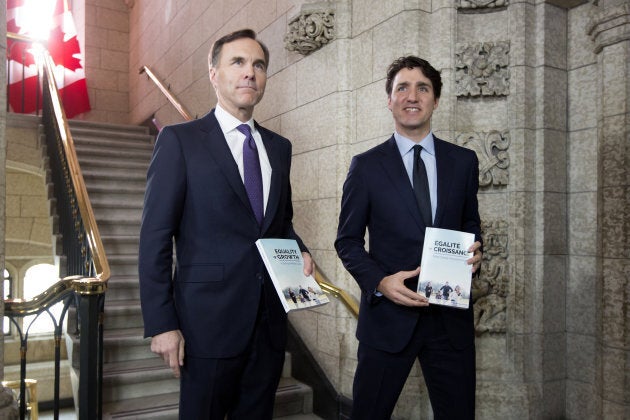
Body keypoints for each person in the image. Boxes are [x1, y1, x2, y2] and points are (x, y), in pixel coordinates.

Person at [138, 28, 313, 420]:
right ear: (214, 73)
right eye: (238, 62)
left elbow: (278, 223)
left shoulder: (279, 148)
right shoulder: (179, 141)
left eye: (258, 65)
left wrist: (299, 247)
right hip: (205, 324)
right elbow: (154, 238)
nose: (250, 72)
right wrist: (162, 323)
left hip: (268, 324)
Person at [335, 56, 483, 419]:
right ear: (390, 100)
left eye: (423, 88)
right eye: (402, 87)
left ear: (436, 100)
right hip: (388, 320)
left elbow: (471, 225)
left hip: (450, 322)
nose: (411, 95)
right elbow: (347, 241)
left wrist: (476, 256)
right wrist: (379, 282)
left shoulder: (463, 162)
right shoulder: (366, 166)